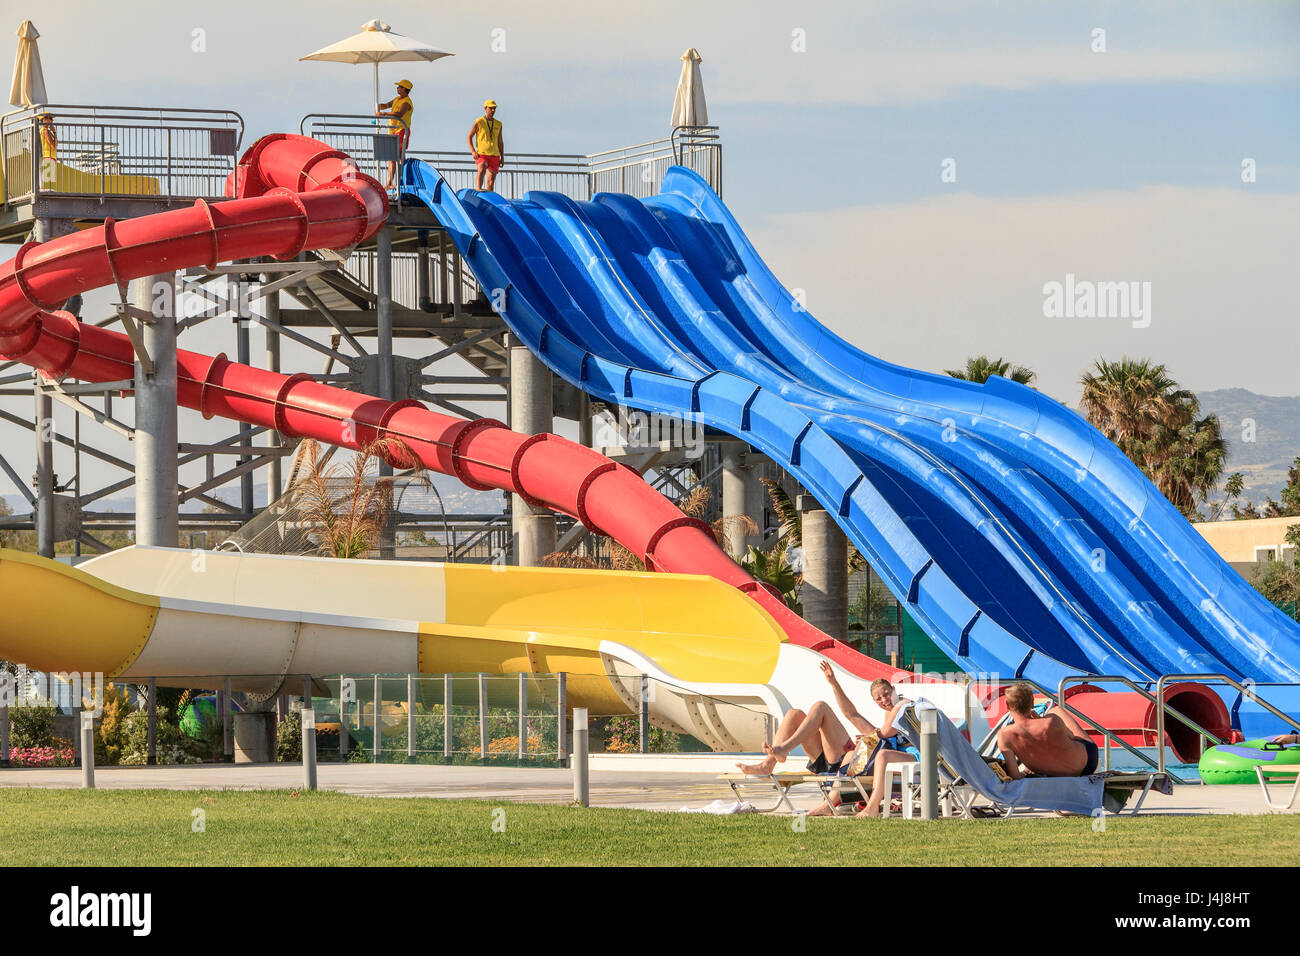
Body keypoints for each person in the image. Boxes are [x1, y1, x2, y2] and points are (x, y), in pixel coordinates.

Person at [736, 661, 916, 817]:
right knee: (793, 715)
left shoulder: (901, 708)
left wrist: (868, 739)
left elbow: (877, 733)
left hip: (845, 762)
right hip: (830, 760)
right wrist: (833, 683)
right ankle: (769, 763)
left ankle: (782, 750)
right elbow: (851, 714)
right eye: (879, 698)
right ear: (875, 702)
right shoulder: (885, 724)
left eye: (886, 694)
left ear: (893, 690)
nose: (884, 700)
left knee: (820, 706)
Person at [996, 683, 1098, 778]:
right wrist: (1040, 721)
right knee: (1056, 710)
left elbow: (1015, 776)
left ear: (1007, 705)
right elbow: (1072, 737)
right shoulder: (1052, 720)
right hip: (1088, 764)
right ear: (1032, 703)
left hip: (1052, 774)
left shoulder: (1004, 735)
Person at [376, 79, 414, 190]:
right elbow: (387, 105)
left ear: (404, 89)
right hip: (392, 131)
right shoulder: (397, 99)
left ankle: (400, 182)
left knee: (399, 157)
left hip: (401, 130)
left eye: (399, 87)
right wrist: (378, 106)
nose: (397, 88)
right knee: (391, 157)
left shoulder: (407, 102)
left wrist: (383, 114)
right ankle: (389, 183)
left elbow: (399, 114)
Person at [467, 99, 505, 192]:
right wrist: (473, 151)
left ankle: (488, 199)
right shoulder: (479, 121)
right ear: (485, 108)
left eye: (494, 108)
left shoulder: (498, 124)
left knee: (491, 181)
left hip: (494, 154)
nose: (493, 110)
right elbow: (469, 137)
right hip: (482, 153)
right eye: (490, 108)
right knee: (482, 167)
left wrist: (502, 157)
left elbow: (500, 141)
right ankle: (478, 189)